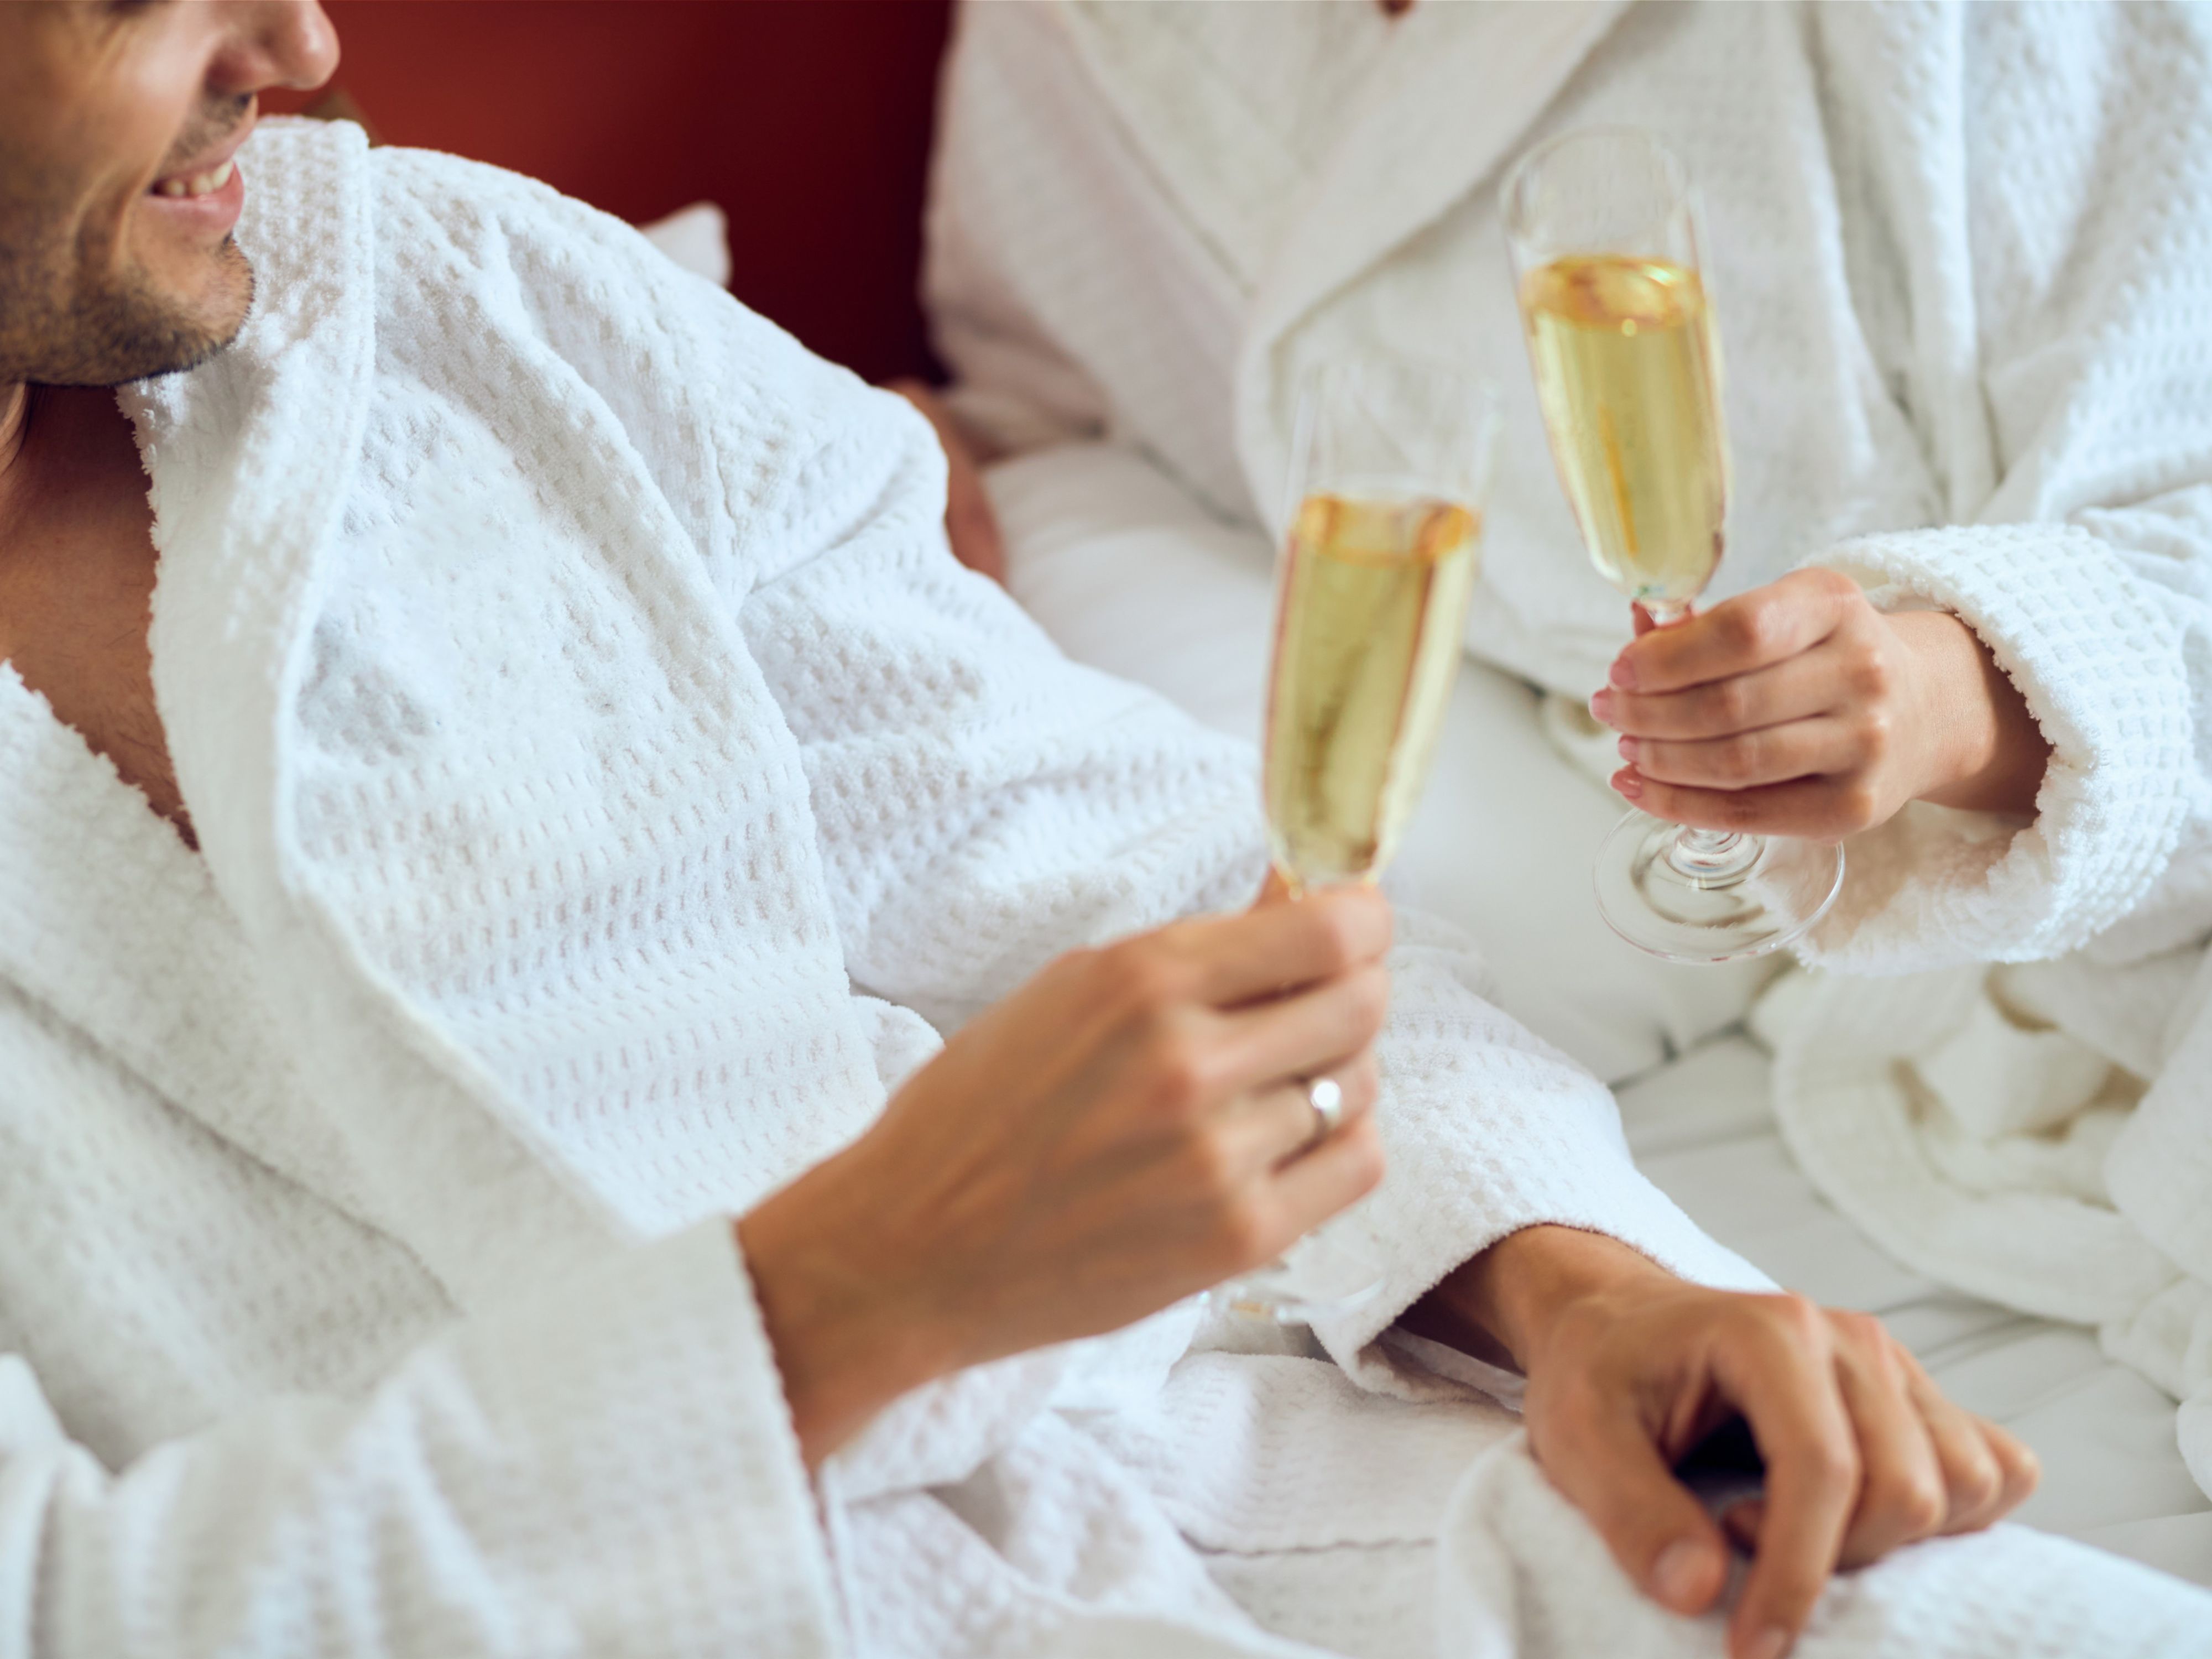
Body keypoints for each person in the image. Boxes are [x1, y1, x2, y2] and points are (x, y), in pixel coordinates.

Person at [0, 6, 2197, 1659]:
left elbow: (1143, 899)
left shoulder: (463, 302)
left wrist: (1578, 1287)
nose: (297, 47)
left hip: (1216, 1517)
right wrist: (856, 1293)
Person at [914, 0, 2212, 1590]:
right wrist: (930, 442)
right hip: (1769, 950)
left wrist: (1965, 690)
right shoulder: (1082, 38)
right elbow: (1080, 397)